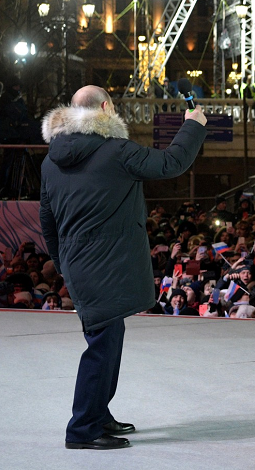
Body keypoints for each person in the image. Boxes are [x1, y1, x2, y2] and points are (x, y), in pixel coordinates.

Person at [39, 85, 206, 450]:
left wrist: (63, 264)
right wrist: (193, 124)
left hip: (82, 265)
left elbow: (47, 220)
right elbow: (171, 163)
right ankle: (82, 429)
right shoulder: (116, 150)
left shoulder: (51, 161)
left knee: (109, 337)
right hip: (105, 264)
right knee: (102, 345)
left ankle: (98, 414)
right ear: (105, 107)